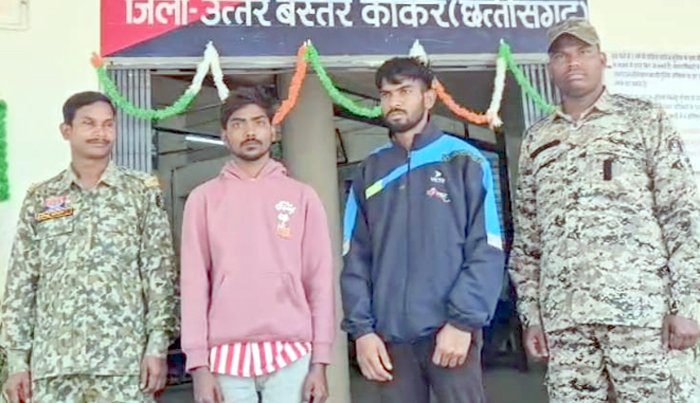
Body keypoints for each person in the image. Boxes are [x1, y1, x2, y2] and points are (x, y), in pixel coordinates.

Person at [510, 18, 700, 402]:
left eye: (583, 52)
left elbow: (683, 216)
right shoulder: (537, 139)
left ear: (603, 59)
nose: (573, 63)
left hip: (643, 317)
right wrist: (532, 316)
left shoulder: (644, 119)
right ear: (551, 68)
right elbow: (528, 239)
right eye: (561, 56)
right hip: (566, 325)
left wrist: (688, 305)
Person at [341, 57, 505, 403]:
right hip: (390, 340)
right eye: (386, 94)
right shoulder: (370, 170)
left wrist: (462, 322)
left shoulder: (464, 161)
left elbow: (487, 247)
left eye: (405, 92)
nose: (394, 102)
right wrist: (362, 332)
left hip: (451, 332)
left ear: (429, 98)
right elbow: (355, 257)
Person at [1, 91, 178, 403]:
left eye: (108, 124)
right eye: (89, 124)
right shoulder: (42, 198)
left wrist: (157, 348)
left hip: (124, 365)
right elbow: (21, 282)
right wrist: (17, 361)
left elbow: (160, 276)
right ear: (66, 131)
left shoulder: (140, 192)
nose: (101, 133)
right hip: (54, 366)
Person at [180, 86, 335, 403]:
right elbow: (194, 285)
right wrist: (198, 366)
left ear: (273, 131)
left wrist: (320, 361)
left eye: (258, 122)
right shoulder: (202, 199)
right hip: (224, 354)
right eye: (238, 124)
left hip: (292, 350)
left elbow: (319, 281)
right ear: (224, 135)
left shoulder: (302, 197)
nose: (250, 132)